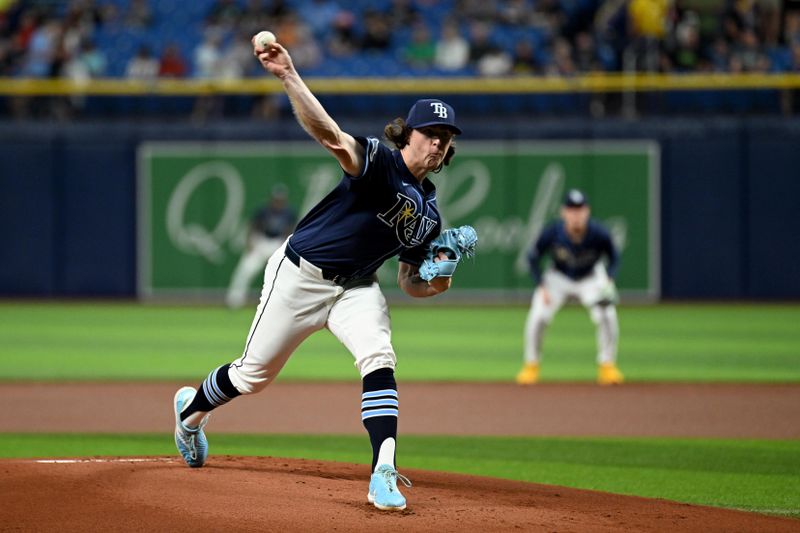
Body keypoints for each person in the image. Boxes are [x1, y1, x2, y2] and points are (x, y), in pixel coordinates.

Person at [172, 34, 463, 512]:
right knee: (252, 376)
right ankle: (189, 415)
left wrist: (440, 279)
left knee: (379, 356)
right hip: (299, 277)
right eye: (431, 132)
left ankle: (383, 472)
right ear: (406, 133)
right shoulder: (379, 162)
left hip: (356, 289)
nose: (438, 142)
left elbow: (411, 283)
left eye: (446, 138)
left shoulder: (431, 216)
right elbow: (330, 135)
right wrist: (288, 75)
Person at [516, 189, 624, 386]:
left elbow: (614, 256)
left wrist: (609, 279)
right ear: (563, 212)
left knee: (607, 314)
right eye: (571, 209)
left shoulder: (598, 232)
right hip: (558, 277)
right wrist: (541, 285)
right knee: (538, 315)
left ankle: (607, 366)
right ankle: (531, 365)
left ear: (587, 211)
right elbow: (533, 258)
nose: (576, 214)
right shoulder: (553, 232)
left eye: (580, 209)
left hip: (591, 277)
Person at [225, 183, 297, 309]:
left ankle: (286, 303)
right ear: (272, 199)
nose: (278, 202)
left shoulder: (289, 212)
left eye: (280, 200)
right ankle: (235, 300)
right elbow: (253, 226)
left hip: (278, 242)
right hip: (261, 241)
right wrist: (250, 242)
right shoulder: (263, 210)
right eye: (276, 199)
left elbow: (290, 230)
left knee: (287, 272)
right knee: (246, 270)